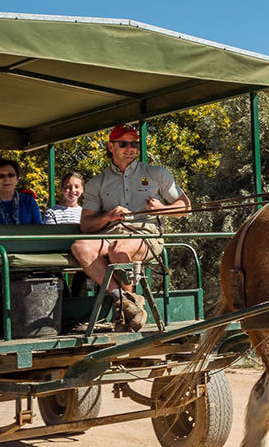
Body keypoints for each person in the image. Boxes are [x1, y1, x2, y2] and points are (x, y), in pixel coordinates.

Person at [72, 124, 189, 331]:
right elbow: (86, 225)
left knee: (120, 249)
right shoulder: (97, 182)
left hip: (146, 234)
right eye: (123, 143)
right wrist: (108, 216)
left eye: (134, 144)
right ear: (111, 147)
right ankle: (128, 302)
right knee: (80, 247)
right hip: (111, 234)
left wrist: (161, 209)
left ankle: (124, 313)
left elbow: (185, 207)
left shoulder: (156, 173)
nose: (130, 148)